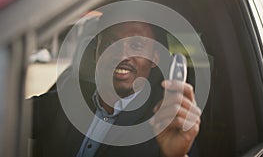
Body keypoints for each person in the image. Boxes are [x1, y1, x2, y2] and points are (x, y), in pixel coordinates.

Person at [32, 21, 201, 157]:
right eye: (111, 43)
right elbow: (9, 116)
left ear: (154, 58)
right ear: (96, 51)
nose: (121, 56)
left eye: (136, 45)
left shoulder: (166, 121)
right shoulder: (68, 97)